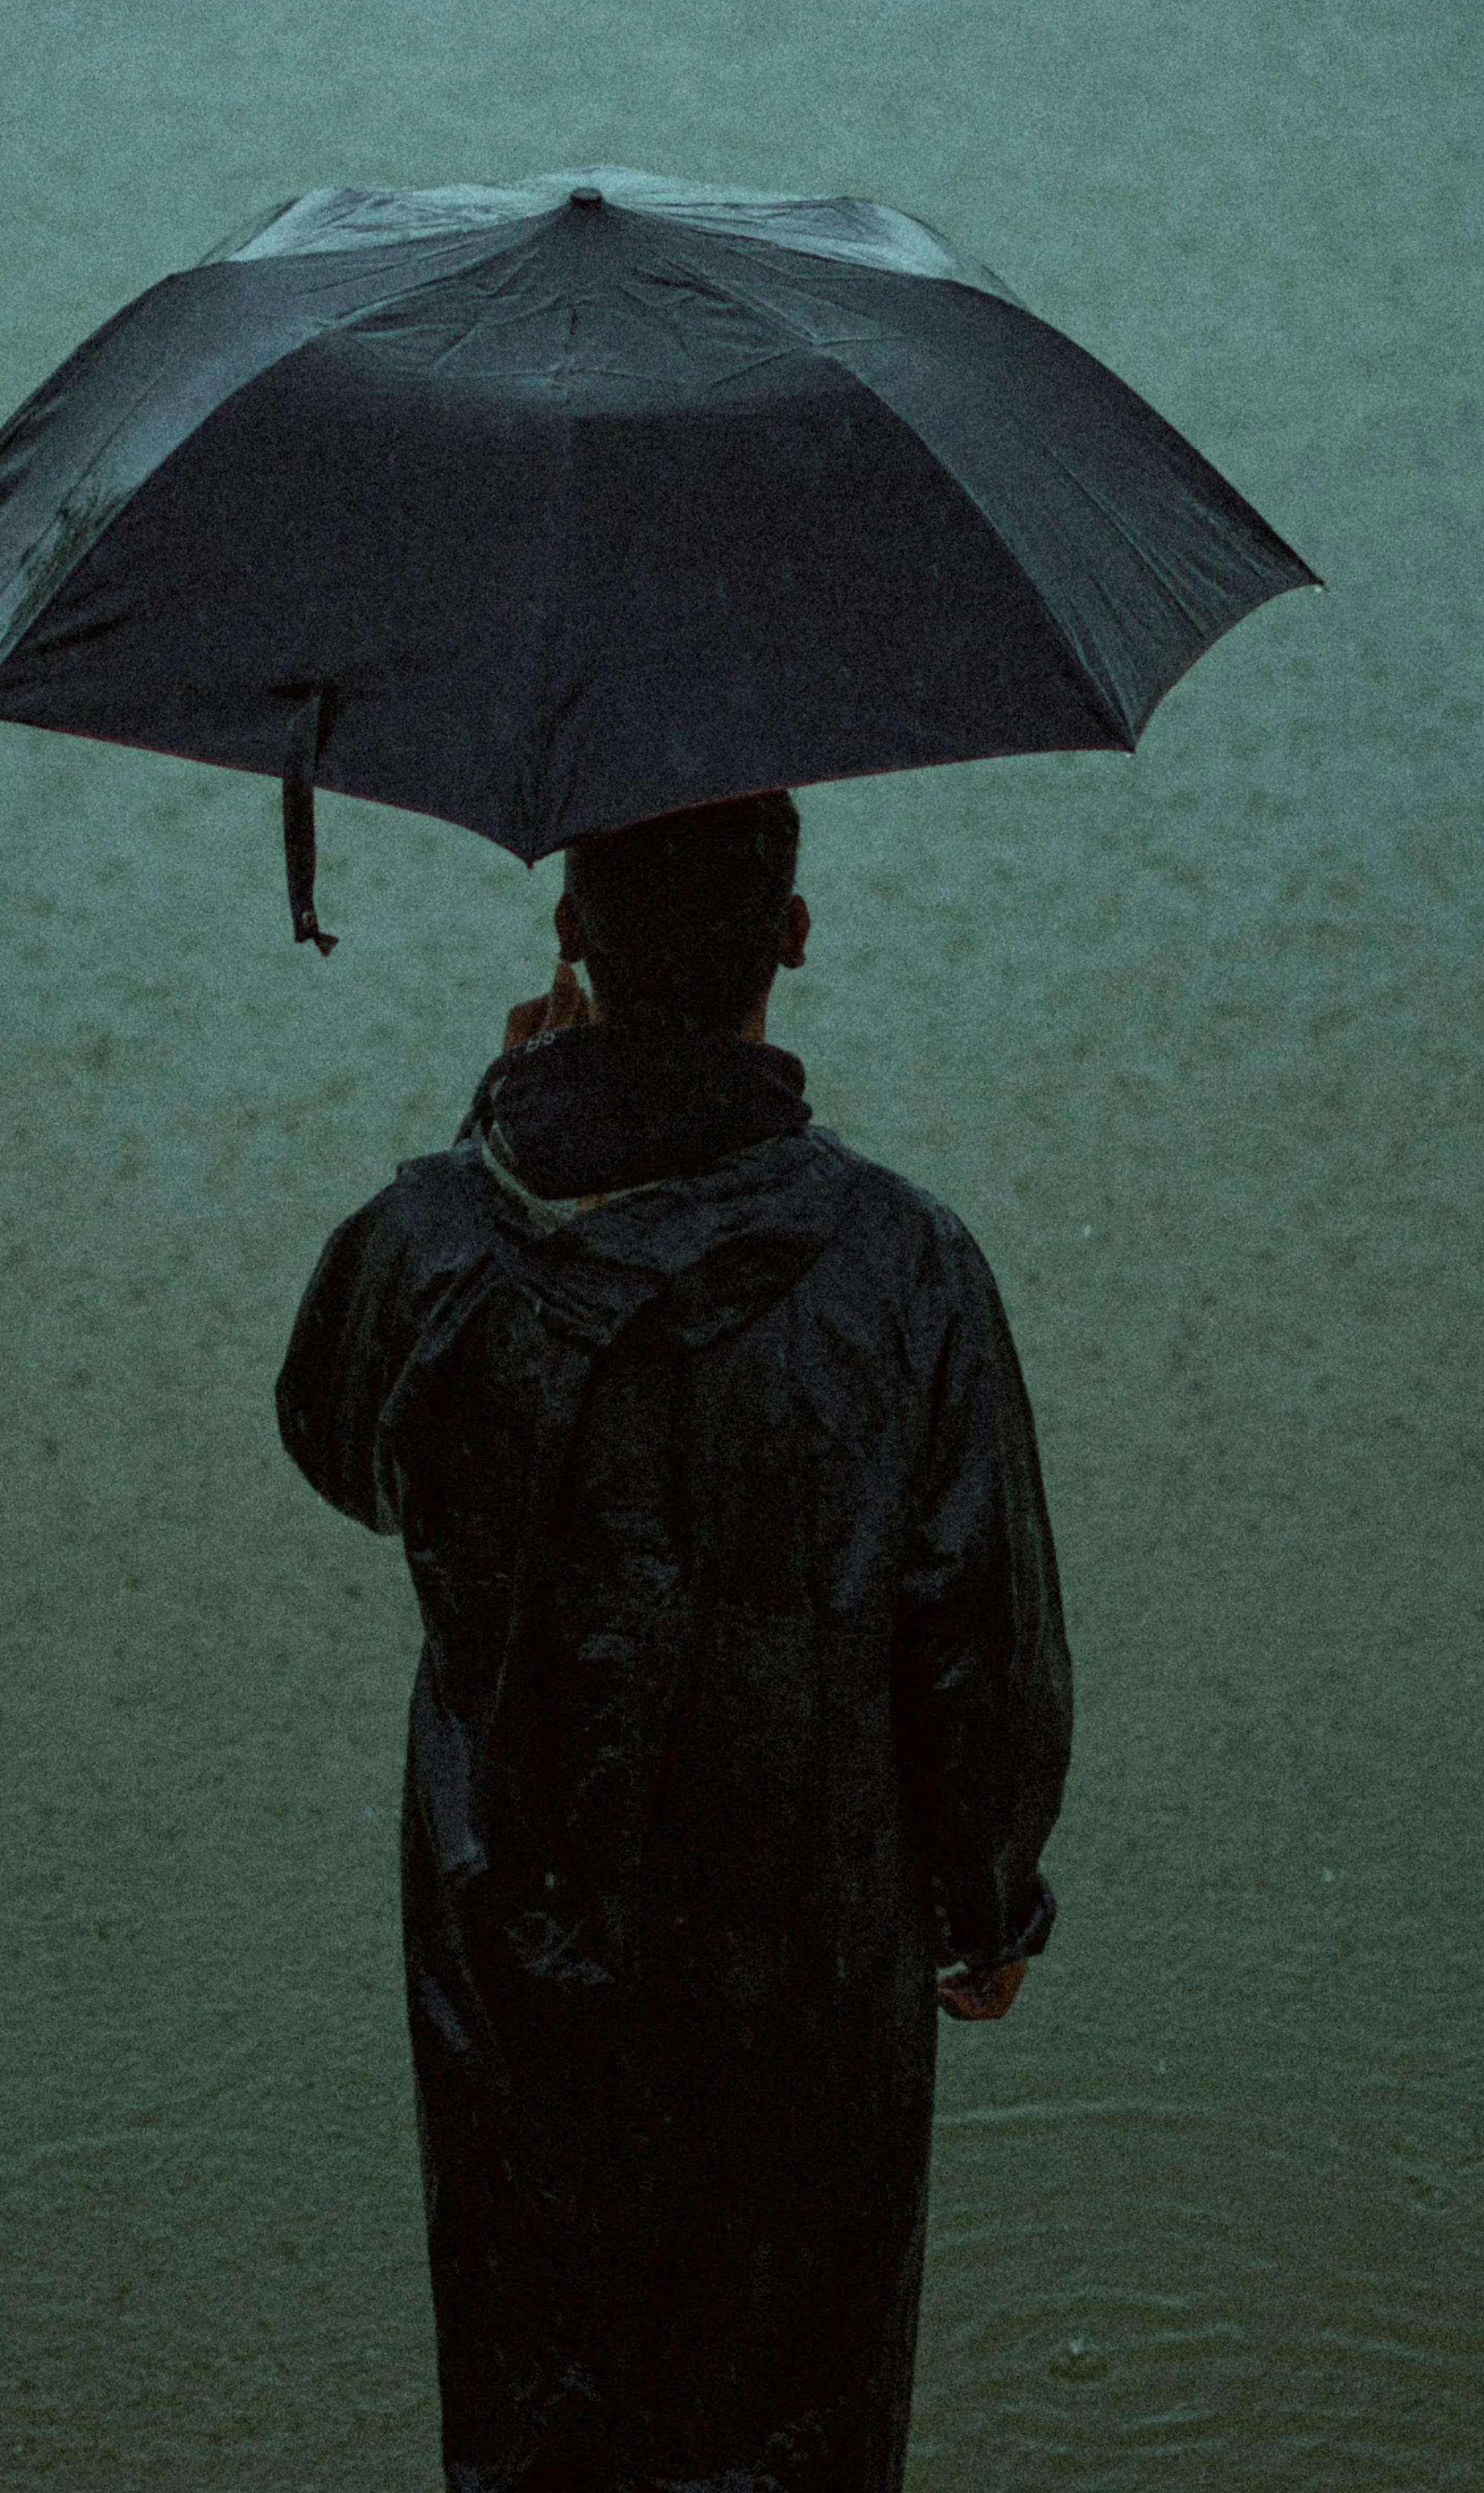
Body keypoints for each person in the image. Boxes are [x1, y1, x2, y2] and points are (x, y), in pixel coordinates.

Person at [277, 789, 1072, 2493]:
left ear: (571, 931)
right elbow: (980, 1632)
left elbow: (349, 1454)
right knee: (795, 2405)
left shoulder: (434, 1237)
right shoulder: (908, 1263)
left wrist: (493, 1137)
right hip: (808, 1946)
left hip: (515, 1927)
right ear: (792, 935)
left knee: (539, 2383)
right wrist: (987, 1901)